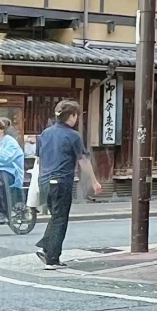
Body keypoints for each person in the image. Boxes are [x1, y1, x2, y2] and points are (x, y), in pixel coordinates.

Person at [35, 101, 101, 267]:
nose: (76, 118)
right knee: (60, 218)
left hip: (44, 180)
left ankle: (46, 247)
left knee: (55, 215)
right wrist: (94, 181)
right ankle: (52, 257)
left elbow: (39, 159)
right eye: (76, 115)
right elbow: (83, 160)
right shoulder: (73, 136)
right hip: (61, 181)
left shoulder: (45, 133)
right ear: (71, 116)